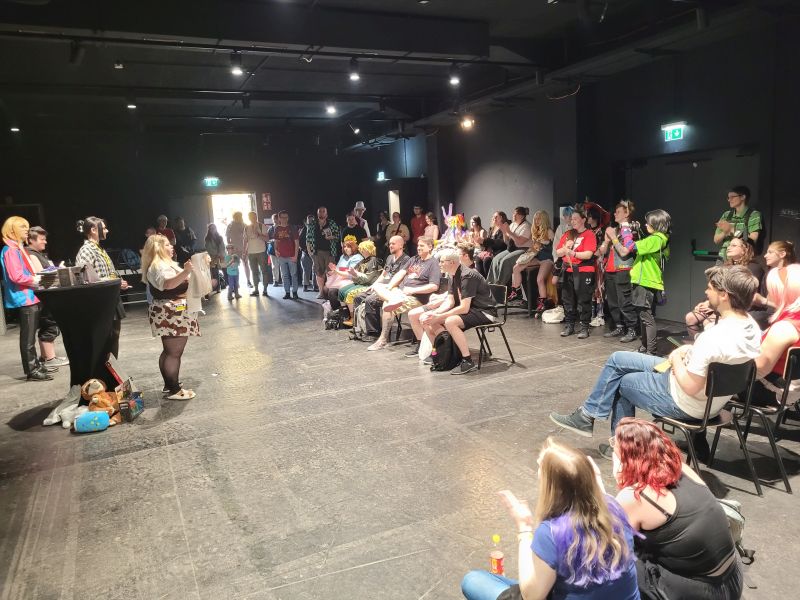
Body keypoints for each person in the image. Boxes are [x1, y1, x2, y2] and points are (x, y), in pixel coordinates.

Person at [550, 265, 761, 460]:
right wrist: (691, 350)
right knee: (618, 359)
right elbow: (719, 358)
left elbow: (691, 386)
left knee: (621, 382)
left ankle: (624, 451)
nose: (706, 292)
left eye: (710, 289)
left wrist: (677, 357)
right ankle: (587, 415)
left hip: (687, 401)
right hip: (712, 402)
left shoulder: (713, 338)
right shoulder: (751, 327)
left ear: (724, 295)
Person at [460, 438, 639, 600]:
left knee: (473, 581)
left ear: (552, 488)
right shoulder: (615, 508)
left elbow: (531, 596)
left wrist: (524, 528)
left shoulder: (553, 532)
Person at [610, 418, 743, 599]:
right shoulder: (683, 469)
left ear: (627, 459)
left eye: (615, 450)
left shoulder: (636, 496)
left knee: (618, 560)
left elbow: (613, 543)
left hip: (703, 593)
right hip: (733, 578)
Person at [416, 248, 496, 373]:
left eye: (442, 262)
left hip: (484, 311)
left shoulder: (467, 275)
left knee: (450, 321)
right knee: (427, 320)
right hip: (471, 310)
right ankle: (444, 355)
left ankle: (467, 360)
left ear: (452, 262)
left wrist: (440, 317)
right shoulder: (452, 274)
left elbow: (464, 308)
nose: (439, 264)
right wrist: (435, 313)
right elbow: (450, 301)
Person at [141, 234, 198, 401]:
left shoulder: (165, 264)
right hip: (171, 312)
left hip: (172, 311)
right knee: (174, 352)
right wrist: (186, 271)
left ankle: (170, 384)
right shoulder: (157, 265)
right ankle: (174, 390)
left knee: (169, 352)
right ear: (158, 248)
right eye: (167, 244)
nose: (171, 246)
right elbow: (168, 284)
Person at [608, 209, 671, 354]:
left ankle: (651, 351)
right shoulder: (656, 238)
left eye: (648, 222)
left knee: (647, 317)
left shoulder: (657, 239)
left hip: (646, 282)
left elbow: (630, 246)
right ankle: (645, 346)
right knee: (643, 316)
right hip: (643, 281)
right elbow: (641, 246)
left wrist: (625, 229)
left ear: (656, 223)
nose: (645, 224)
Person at [366, 236, 440, 351]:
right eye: (418, 245)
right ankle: (393, 299)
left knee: (387, 305)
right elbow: (400, 274)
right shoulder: (414, 259)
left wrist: (413, 290)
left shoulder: (433, 263)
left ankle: (382, 340)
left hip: (416, 297)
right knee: (377, 286)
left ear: (430, 247)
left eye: (422, 246)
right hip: (401, 292)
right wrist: (390, 286)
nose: (418, 248)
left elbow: (434, 286)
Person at [1, 216, 51, 381]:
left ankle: (35, 364)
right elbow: (16, 276)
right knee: (28, 336)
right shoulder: (10, 250)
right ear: (12, 230)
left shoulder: (17, 248)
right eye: (22, 227)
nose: (26, 231)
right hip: (24, 297)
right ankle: (31, 369)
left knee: (30, 335)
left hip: (29, 295)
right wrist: (35, 279)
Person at [685, 237, 765, 336]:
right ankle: (698, 342)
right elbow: (716, 288)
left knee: (708, 323)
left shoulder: (753, 268)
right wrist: (707, 303)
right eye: (729, 245)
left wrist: (714, 306)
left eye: (734, 245)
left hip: (738, 308)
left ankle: (712, 344)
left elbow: (741, 294)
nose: (729, 248)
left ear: (745, 249)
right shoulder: (726, 266)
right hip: (721, 303)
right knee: (690, 318)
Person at [75, 216, 128, 359]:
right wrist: (114, 282)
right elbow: (84, 278)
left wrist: (118, 281)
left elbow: (107, 272)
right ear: (93, 230)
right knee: (106, 340)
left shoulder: (99, 249)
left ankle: (111, 369)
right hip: (101, 301)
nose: (107, 230)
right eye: (103, 228)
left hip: (110, 297)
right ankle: (105, 370)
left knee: (113, 337)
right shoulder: (86, 250)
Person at [751, 263, 800, 406]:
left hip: (774, 392)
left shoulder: (785, 327)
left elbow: (758, 370)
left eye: (771, 289)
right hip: (791, 391)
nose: (768, 294)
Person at [352, 235, 410, 342]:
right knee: (358, 297)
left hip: (393, 289)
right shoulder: (389, 258)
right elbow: (383, 275)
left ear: (401, 245)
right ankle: (359, 329)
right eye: (390, 243)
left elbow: (401, 278)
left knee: (370, 300)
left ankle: (373, 333)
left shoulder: (406, 260)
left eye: (393, 243)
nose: (390, 245)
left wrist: (387, 287)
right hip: (381, 286)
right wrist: (373, 285)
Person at [25, 226, 69, 370]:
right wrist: (57, 270)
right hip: (43, 296)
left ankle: (46, 356)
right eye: (42, 239)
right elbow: (41, 275)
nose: (45, 242)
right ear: (31, 240)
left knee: (49, 324)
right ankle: (50, 358)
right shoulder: (31, 254)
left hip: (46, 295)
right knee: (49, 324)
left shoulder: (38, 254)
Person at [599, 200, 638, 343]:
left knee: (625, 302)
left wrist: (614, 237)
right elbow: (601, 252)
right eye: (615, 212)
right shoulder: (614, 230)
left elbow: (624, 252)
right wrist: (606, 241)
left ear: (627, 214)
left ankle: (632, 329)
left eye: (618, 212)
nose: (615, 214)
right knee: (613, 302)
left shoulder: (631, 230)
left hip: (623, 269)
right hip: (610, 270)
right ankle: (619, 326)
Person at [555, 207, 596, 339]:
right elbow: (558, 252)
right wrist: (566, 248)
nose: (573, 221)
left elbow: (588, 254)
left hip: (583, 271)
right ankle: (569, 325)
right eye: (571, 219)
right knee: (567, 299)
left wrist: (573, 253)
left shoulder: (589, 234)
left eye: (575, 219)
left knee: (584, 300)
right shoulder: (568, 234)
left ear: (583, 220)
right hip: (568, 270)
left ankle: (584, 327)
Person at [508, 210, 554, 315]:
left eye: (539, 219)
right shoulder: (535, 231)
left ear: (544, 219)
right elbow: (534, 249)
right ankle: (516, 291)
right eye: (535, 219)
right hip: (537, 257)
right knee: (516, 268)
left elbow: (554, 247)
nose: (537, 221)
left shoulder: (549, 231)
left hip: (547, 259)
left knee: (539, 279)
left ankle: (543, 302)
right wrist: (526, 257)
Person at [326, 240, 383, 322]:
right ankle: (345, 315)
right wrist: (337, 271)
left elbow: (368, 278)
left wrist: (355, 274)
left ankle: (353, 318)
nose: (362, 251)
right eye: (361, 249)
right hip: (360, 282)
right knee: (342, 291)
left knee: (350, 294)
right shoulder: (362, 261)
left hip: (369, 285)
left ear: (369, 249)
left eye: (364, 249)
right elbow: (351, 273)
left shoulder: (373, 260)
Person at [714, 185, 762, 261]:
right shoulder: (726, 215)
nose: (729, 200)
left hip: (742, 259)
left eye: (732, 197)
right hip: (723, 257)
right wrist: (725, 232)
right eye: (728, 197)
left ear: (743, 197)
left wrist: (732, 230)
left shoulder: (754, 215)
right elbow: (716, 240)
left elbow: (753, 239)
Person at [487, 206, 531, 287]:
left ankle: (500, 286)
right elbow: (507, 242)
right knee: (496, 259)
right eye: (513, 213)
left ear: (522, 216)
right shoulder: (513, 224)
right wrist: (504, 231)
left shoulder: (527, 226)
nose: (513, 215)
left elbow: (519, 242)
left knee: (505, 261)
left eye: (516, 214)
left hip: (523, 249)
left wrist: (509, 232)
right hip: (512, 248)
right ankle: (491, 283)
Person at [306, 206, 341, 299]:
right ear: (317, 213)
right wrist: (310, 252)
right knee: (319, 272)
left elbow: (338, 236)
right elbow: (308, 238)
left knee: (331, 273)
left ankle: (330, 293)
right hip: (317, 252)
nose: (321, 213)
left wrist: (331, 237)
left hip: (330, 252)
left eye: (323, 211)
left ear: (326, 213)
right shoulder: (312, 224)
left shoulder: (332, 223)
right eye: (320, 211)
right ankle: (321, 292)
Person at [752, 240, 797, 310]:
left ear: (782, 254)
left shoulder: (794, 275)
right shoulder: (769, 275)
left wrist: (764, 301)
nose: (765, 256)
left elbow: (793, 308)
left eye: (770, 252)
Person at [272, 210, 301, 299]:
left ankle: (295, 292)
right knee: (284, 276)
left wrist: (295, 256)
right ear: (279, 218)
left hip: (291, 256)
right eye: (282, 217)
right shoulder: (277, 228)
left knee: (294, 275)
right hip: (281, 256)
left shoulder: (292, 228)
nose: (284, 219)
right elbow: (276, 241)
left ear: (288, 218)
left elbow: (297, 242)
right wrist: (275, 250)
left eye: (286, 217)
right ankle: (287, 292)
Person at [244, 211, 269, 297]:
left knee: (264, 271)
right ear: (249, 218)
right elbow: (245, 240)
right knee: (254, 271)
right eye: (251, 217)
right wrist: (244, 252)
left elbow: (267, 239)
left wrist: (258, 235)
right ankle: (256, 289)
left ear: (256, 216)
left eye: (254, 216)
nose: (253, 218)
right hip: (251, 253)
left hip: (261, 251)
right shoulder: (246, 227)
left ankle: (265, 290)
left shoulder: (262, 226)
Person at [476, 211, 508, 278]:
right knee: (478, 258)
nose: (494, 218)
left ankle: (490, 281)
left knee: (487, 260)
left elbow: (501, 243)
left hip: (498, 251)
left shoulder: (504, 227)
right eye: (493, 217)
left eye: (496, 217)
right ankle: (482, 281)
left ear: (501, 218)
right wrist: (481, 242)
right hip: (489, 251)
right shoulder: (491, 228)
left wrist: (484, 241)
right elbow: (487, 243)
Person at [226, 212, 251, 288]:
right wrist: (232, 249)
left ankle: (248, 281)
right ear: (234, 217)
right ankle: (236, 283)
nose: (238, 218)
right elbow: (228, 239)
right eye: (237, 217)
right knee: (234, 266)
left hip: (244, 249)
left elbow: (248, 238)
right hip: (235, 250)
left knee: (246, 264)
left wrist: (246, 248)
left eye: (239, 216)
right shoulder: (230, 226)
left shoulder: (245, 225)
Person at [204, 223, 226, 295]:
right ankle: (215, 287)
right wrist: (215, 254)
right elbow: (208, 249)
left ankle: (222, 286)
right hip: (212, 258)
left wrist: (219, 254)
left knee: (222, 272)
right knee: (213, 273)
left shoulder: (219, 237)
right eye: (211, 229)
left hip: (220, 257)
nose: (213, 230)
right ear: (209, 230)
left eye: (214, 228)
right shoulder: (207, 239)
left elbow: (222, 247)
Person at [298, 214, 316, 292]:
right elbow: (299, 241)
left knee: (315, 270)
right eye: (309, 220)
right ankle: (305, 286)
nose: (311, 221)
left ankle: (315, 286)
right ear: (306, 221)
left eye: (312, 220)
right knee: (306, 270)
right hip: (306, 253)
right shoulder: (304, 229)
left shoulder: (316, 228)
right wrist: (305, 249)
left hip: (315, 253)